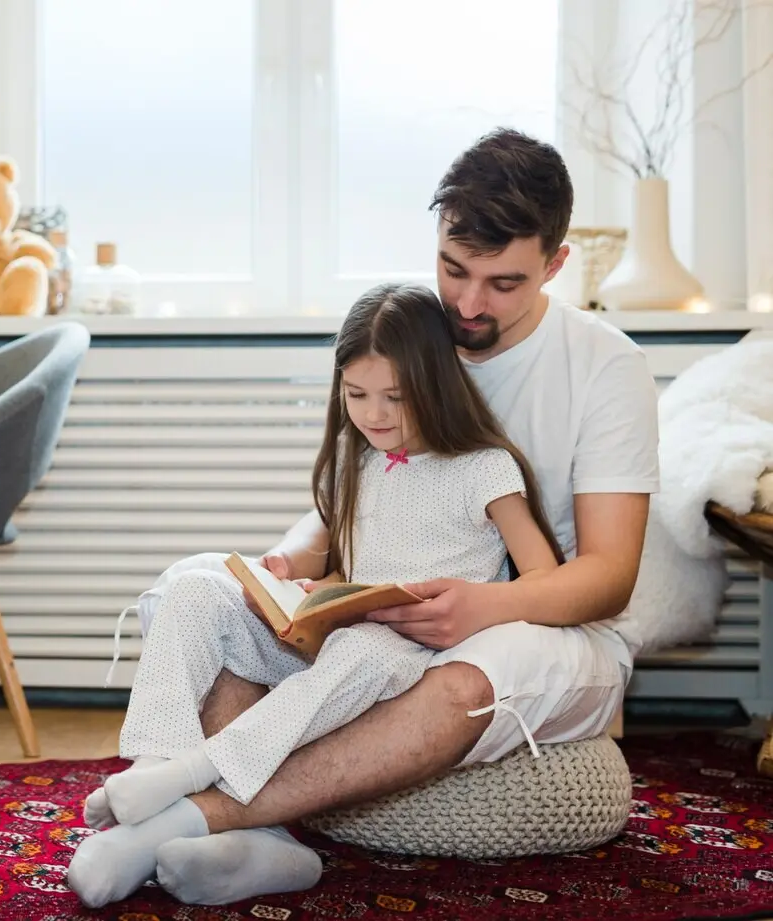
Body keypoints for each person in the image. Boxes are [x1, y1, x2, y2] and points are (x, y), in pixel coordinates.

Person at [74, 127, 661, 907]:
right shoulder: (418, 334)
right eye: (454, 269)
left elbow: (610, 575)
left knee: (462, 678)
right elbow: (355, 496)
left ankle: (180, 817)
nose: (470, 302)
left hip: (539, 626)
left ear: (556, 263)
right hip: (382, 614)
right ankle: (257, 840)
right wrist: (286, 565)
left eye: (504, 282)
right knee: (203, 588)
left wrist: (485, 605)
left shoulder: (606, 368)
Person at [66, 281, 568, 908]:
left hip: (402, 656)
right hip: (334, 637)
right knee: (196, 591)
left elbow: (544, 577)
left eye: (396, 398)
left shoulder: (485, 467)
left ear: (437, 385)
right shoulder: (353, 461)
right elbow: (349, 564)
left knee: (362, 649)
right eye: (357, 395)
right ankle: (153, 767)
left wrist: (473, 603)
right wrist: (306, 588)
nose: (375, 414)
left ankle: (189, 778)